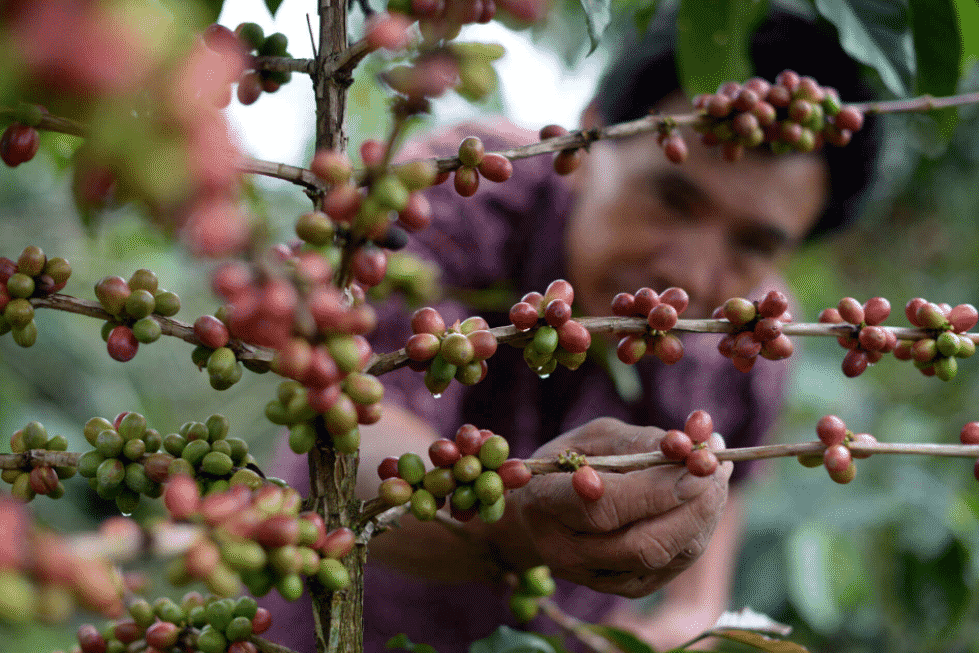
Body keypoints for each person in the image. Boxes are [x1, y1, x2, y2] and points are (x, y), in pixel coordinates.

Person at [260, 6, 880, 651]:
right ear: (588, 142)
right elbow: (345, 429)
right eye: (671, 199)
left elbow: (711, 551)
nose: (690, 271)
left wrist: (673, 626)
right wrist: (510, 521)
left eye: (752, 245)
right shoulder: (456, 191)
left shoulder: (751, 341)